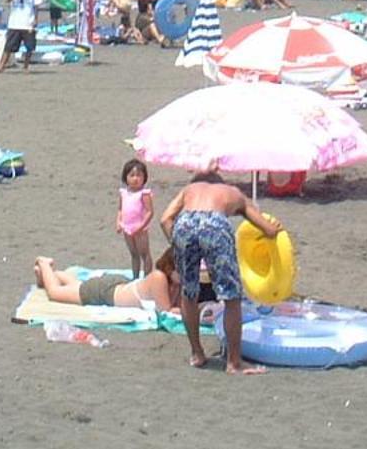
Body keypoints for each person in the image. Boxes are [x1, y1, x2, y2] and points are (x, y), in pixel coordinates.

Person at [158, 169, 284, 375]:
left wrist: (177, 244)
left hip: (184, 224)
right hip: (214, 226)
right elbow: (268, 230)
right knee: (231, 296)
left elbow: (164, 220)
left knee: (188, 293)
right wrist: (275, 228)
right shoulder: (234, 193)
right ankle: (234, 363)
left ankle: (197, 354)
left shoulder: (190, 189)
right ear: (221, 183)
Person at [34, 251, 177, 311]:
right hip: (107, 293)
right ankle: (44, 263)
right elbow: (166, 311)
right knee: (55, 293)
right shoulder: (159, 278)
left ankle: (51, 275)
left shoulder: (172, 282)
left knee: (78, 286)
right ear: (171, 268)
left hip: (117, 287)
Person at [0, 0, 41, 71]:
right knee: (8, 46)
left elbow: (37, 4)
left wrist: (36, 20)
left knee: (29, 46)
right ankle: (1, 66)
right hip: (14, 22)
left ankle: (26, 66)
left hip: (28, 21)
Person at [117, 158, 155, 276]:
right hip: (127, 227)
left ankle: (147, 278)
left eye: (139, 175)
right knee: (134, 254)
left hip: (140, 228)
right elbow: (120, 209)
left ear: (144, 178)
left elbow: (150, 212)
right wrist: (118, 222)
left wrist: (141, 226)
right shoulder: (124, 193)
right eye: (132, 175)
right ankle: (135, 277)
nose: (135, 179)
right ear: (126, 178)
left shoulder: (144, 194)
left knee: (144, 254)